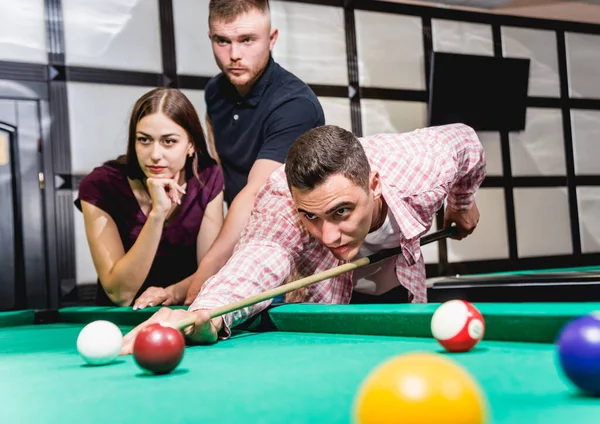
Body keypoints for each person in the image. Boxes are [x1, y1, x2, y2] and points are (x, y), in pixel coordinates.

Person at [119, 122, 486, 353]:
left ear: (373, 185)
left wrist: (461, 202)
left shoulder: (419, 168)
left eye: (342, 211)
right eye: (310, 216)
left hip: (397, 278)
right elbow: (262, 256)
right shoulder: (281, 197)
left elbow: (466, 141)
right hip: (327, 299)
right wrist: (208, 312)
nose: (328, 235)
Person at [132, 0, 325, 309]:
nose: (234, 55)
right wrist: (183, 288)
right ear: (211, 38)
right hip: (243, 239)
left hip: (296, 253)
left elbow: (254, 194)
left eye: (247, 40)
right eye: (223, 41)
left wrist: (198, 282)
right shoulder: (215, 92)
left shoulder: (294, 104)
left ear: (272, 38)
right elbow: (222, 171)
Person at [75, 88, 225, 307]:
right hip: (120, 322)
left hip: (183, 313)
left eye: (169, 141)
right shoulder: (100, 186)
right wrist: (157, 214)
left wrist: (172, 293)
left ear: (191, 145)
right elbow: (120, 294)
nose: (155, 155)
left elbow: (210, 271)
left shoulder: (207, 177)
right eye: (144, 140)